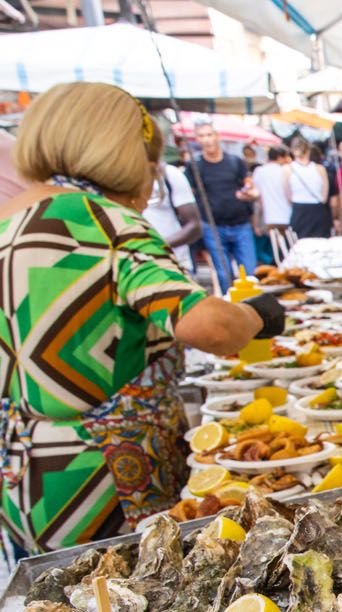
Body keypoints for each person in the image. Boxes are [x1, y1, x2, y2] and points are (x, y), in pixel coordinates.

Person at [0, 83, 281, 552]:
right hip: (110, 478)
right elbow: (209, 326)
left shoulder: (10, 219)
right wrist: (257, 315)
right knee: (135, 607)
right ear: (123, 152)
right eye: (151, 163)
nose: (152, 183)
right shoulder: (104, 224)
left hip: (29, 473)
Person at [193, 120, 258, 293]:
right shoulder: (195, 166)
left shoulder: (235, 162)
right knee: (224, 275)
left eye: (209, 134)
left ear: (217, 136)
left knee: (250, 274)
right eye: (202, 136)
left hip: (240, 224)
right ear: (197, 140)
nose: (207, 140)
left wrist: (249, 194)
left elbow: (250, 186)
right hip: (213, 227)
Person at [143, 148, 202, 274]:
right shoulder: (123, 179)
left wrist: (157, 246)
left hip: (175, 264)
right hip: (140, 269)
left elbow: (194, 226)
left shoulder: (169, 174)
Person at [286, 136, 332, 239]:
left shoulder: (288, 169)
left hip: (299, 212)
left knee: (299, 247)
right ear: (309, 150)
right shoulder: (320, 169)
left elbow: (288, 195)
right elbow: (324, 198)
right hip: (318, 212)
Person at [252, 145, 291, 264]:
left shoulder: (259, 171)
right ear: (280, 157)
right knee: (286, 254)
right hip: (289, 216)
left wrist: (256, 223)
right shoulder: (286, 170)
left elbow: (256, 197)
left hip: (269, 218)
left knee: (274, 253)